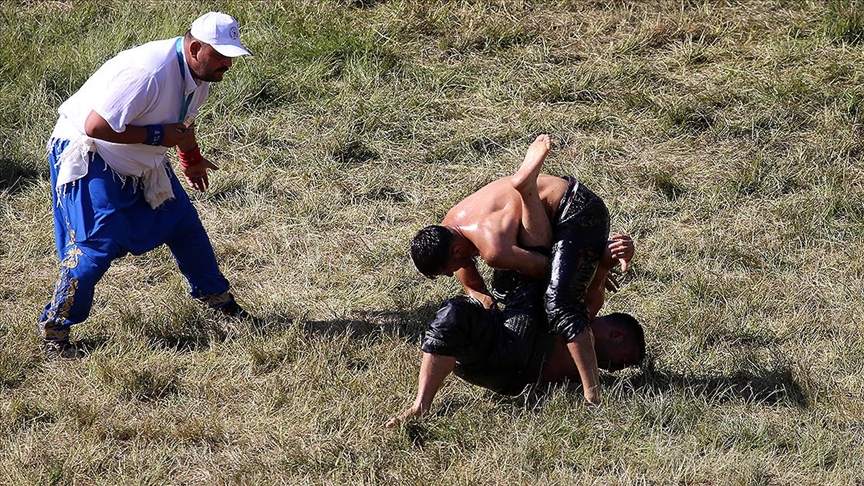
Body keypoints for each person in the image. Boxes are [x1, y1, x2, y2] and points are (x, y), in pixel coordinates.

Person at [39, 12, 254, 358]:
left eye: (231, 56)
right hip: (91, 152)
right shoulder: (149, 73)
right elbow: (95, 126)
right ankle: (55, 329)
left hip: (142, 158)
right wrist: (158, 136)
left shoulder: (200, 75)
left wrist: (191, 158)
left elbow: (182, 123)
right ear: (196, 47)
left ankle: (217, 299)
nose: (227, 64)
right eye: (220, 55)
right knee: (95, 247)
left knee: (184, 225)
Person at [410, 135, 628, 404]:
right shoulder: (449, 228)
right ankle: (527, 190)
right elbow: (470, 278)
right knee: (512, 284)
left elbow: (546, 269)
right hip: (547, 203)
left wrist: (588, 268)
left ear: (455, 251)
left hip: (576, 209)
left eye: (449, 269)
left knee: (560, 302)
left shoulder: (493, 250)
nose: (454, 271)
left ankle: (593, 395)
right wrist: (479, 293)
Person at [387, 237, 643, 428]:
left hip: (514, 372)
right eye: (626, 359)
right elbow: (597, 277)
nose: (617, 368)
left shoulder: (586, 367)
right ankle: (421, 406)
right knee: (454, 313)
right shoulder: (585, 311)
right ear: (618, 334)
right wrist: (612, 254)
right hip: (494, 351)